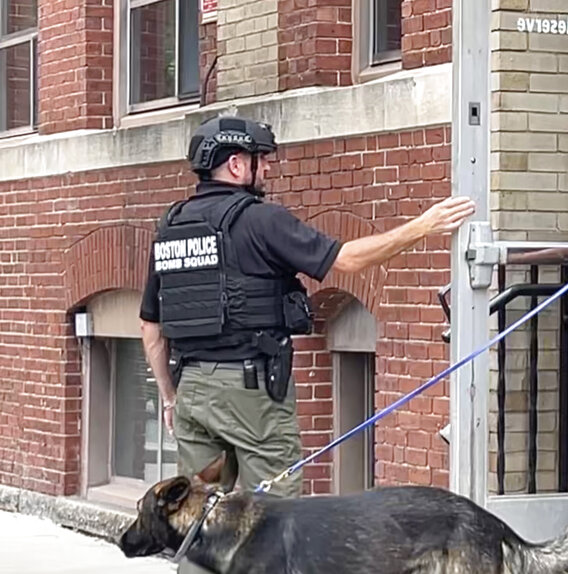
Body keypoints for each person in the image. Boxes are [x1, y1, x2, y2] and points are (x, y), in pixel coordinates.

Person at [139, 115, 474, 572]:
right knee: (272, 527)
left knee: (198, 525)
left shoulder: (171, 226)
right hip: (252, 394)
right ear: (236, 164)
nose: (267, 169)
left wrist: (170, 397)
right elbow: (347, 260)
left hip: (191, 389)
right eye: (261, 160)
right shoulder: (260, 220)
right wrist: (423, 226)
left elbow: (151, 327)